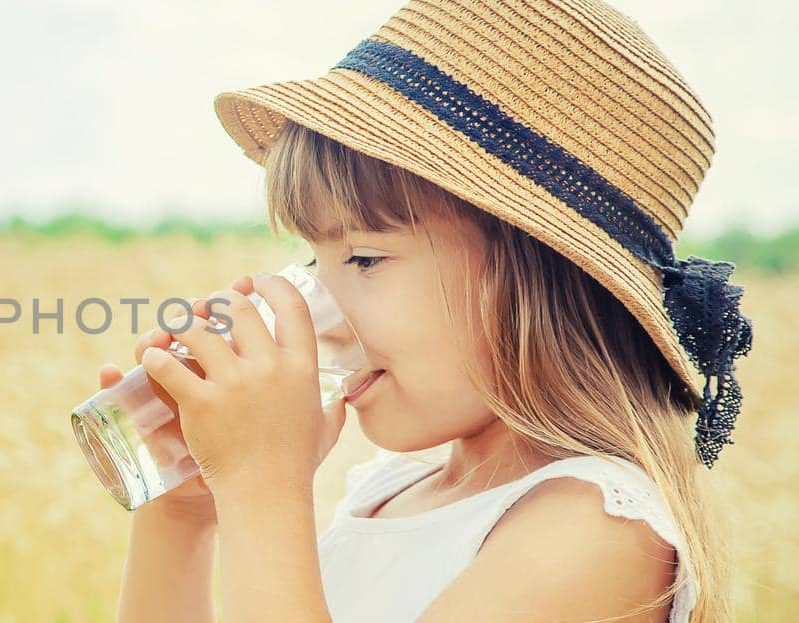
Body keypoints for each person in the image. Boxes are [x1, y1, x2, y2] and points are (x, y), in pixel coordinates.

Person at [96, 0, 755, 621]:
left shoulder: (596, 527)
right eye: (313, 260)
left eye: (364, 259)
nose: (317, 310)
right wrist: (185, 515)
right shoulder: (392, 493)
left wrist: (261, 487)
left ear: (528, 277)